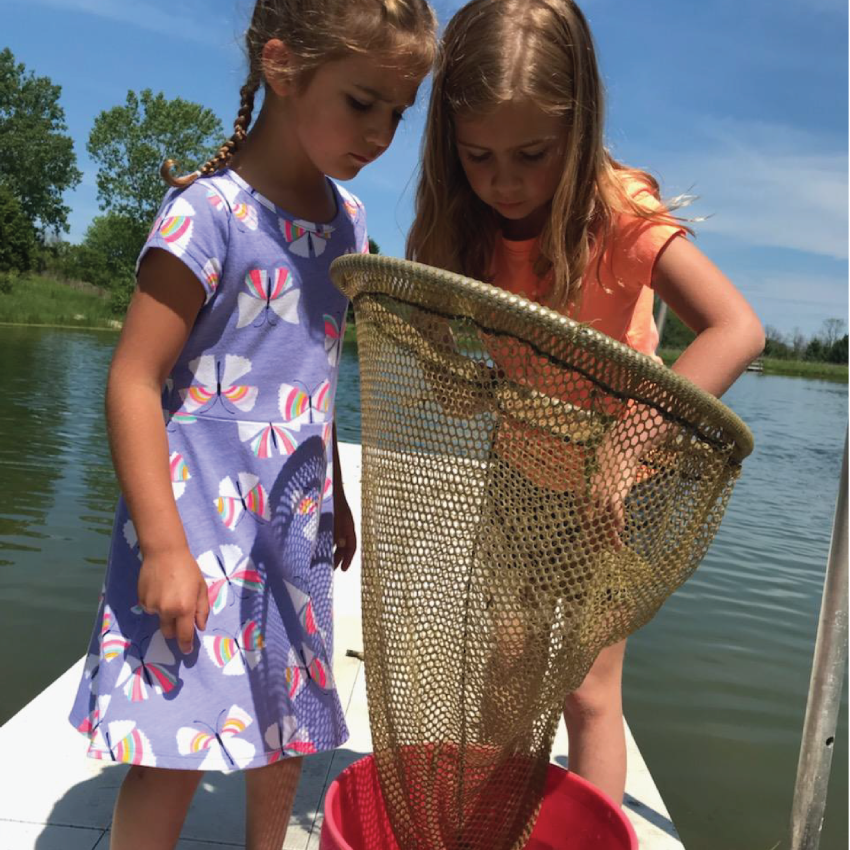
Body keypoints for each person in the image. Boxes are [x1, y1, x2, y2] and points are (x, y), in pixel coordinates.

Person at [68, 1, 436, 847]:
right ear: (282, 67)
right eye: (361, 101)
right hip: (193, 524)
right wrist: (161, 545)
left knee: (289, 717)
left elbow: (313, 372)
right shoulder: (210, 214)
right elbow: (133, 379)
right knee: (175, 738)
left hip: (289, 528)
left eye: (397, 112)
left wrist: (333, 492)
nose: (381, 131)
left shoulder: (349, 222)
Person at [407, 0, 764, 806]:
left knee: (588, 691)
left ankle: (590, 831)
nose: (503, 180)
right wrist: (441, 367)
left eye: (532, 153)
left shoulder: (619, 212)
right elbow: (448, 377)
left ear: (579, 124)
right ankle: (495, 820)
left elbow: (737, 328)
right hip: (521, 480)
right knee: (505, 666)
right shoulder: (457, 226)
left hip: (620, 494)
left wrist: (630, 440)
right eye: (478, 155)